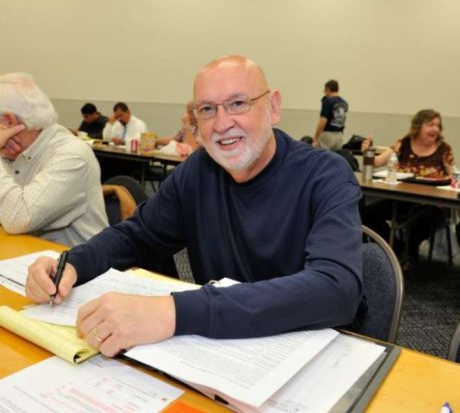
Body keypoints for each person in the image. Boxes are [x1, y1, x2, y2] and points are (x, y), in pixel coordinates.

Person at [26, 56, 364, 357]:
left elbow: (337, 289)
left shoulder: (325, 174)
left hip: (299, 353)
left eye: (237, 104)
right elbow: (137, 236)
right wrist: (72, 263)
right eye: (207, 109)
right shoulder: (198, 173)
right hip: (215, 351)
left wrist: (173, 313)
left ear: (273, 107)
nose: (221, 123)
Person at [0, 73, 108, 246]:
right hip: (26, 254)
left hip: (75, 266)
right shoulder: (9, 151)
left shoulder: (72, 155)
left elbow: (18, 218)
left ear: (8, 121)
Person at [361, 109, 455, 264]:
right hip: (402, 199)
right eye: (430, 125)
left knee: (422, 222)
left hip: (433, 204)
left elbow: (454, 178)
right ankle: (398, 249)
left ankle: (408, 254)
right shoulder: (404, 143)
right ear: (418, 126)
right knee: (366, 214)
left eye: (438, 126)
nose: (435, 129)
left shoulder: (444, 149)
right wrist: (367, 152)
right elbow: (377, 162)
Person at [313, 80, 348, 150]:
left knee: (322, 158)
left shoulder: (328, 101)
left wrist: (316, 137)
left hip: (328, 135)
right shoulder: (344, 103)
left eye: (324, 90)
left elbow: (323, 121)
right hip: (340, 136)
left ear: (328, 89)